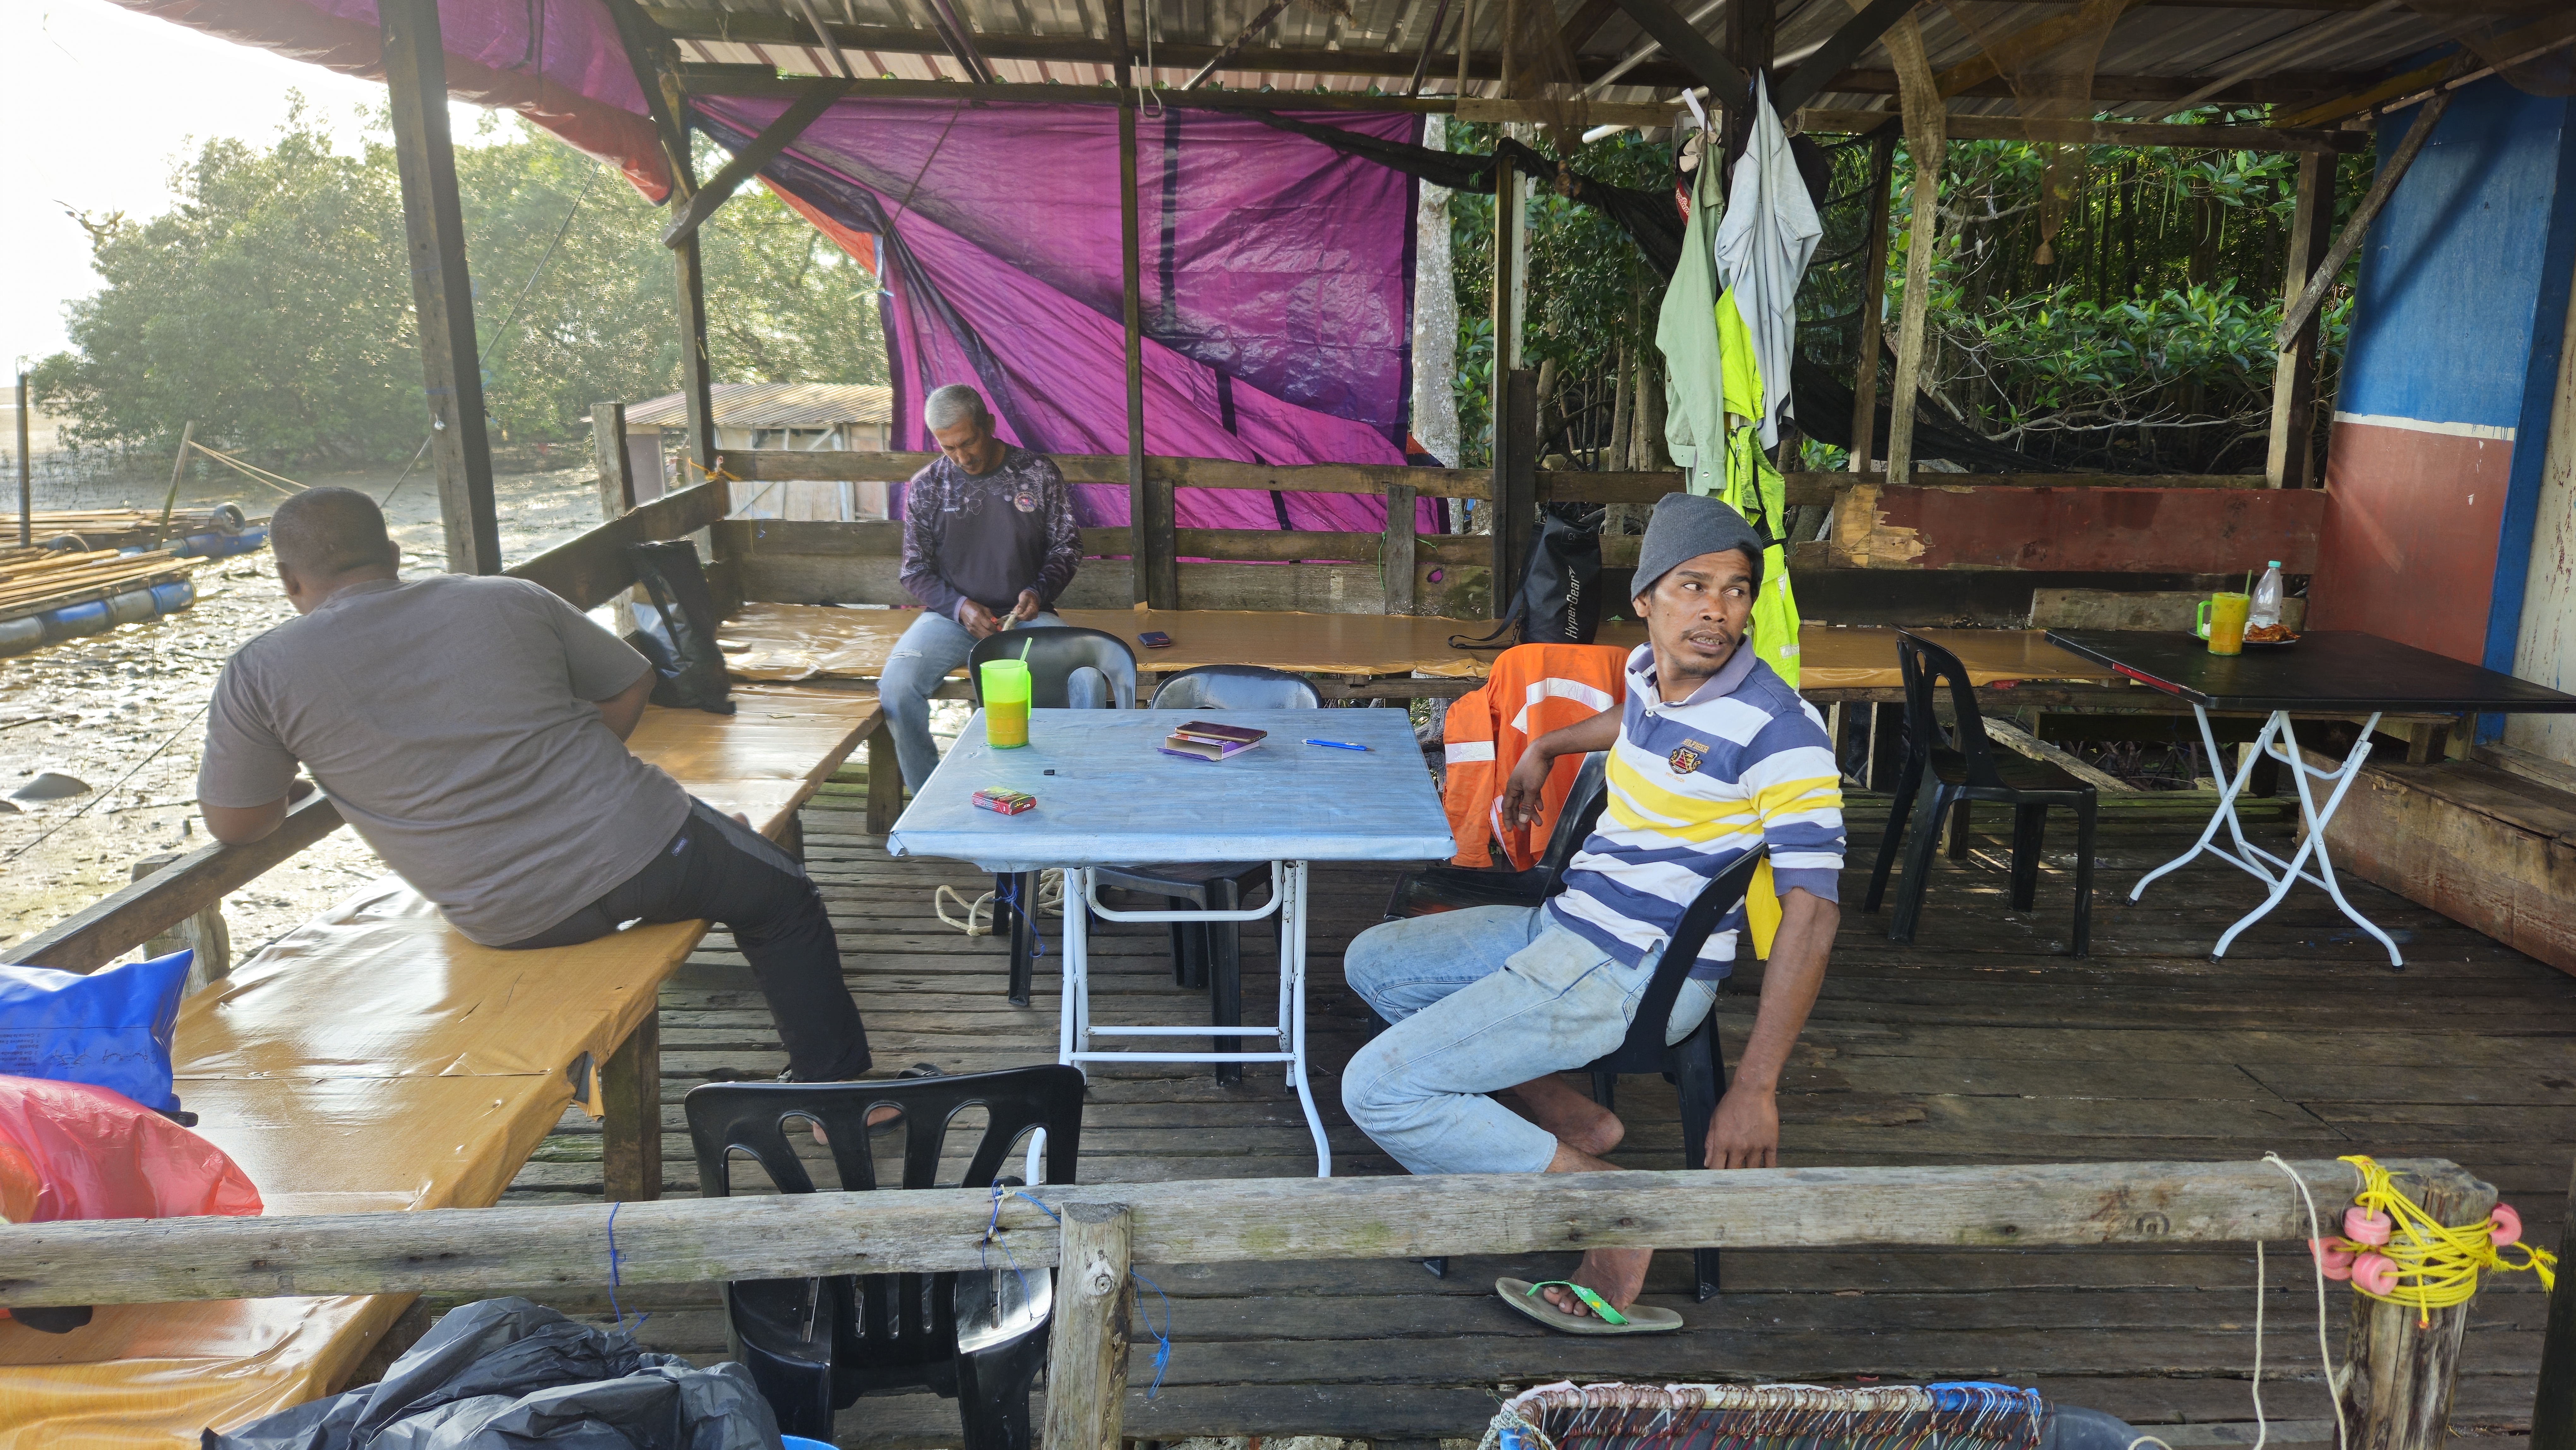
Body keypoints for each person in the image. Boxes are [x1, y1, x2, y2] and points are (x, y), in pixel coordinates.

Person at [1339, 492, 1844, 1333]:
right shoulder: (1650, 670)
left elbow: (1815, 913)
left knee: (1380, 1090)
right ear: (1646, 599)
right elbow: (1633, 721)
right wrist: (1542, 746)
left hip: (1634, 971)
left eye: (1735, 588)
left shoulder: (1780, 732)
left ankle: (1612, 1205)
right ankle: (1570, 1112)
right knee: (1375, 962)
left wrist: (1756, 1087)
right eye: (1692, 586)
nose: (1716, 610)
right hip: (1569, 924)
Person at [195, 487, 871, 1084]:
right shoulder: (503, 596)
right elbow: (633, 678)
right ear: (395, 553)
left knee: (730, 854)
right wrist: (571, 761)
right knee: (783, 893)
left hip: (508, 917)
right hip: (648, 850)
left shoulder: (260, 671)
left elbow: (238, 824)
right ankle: (834, 1088)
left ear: (288, 580)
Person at [882, 384, 1097, 791]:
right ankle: (932, 798)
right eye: (949, 449)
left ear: (990, 426)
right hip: (950, 621)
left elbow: (1067, 547)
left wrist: (1038, 590)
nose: (962, 458)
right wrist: (961, 607)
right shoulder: (928, 485)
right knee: (896, 689)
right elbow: (914, 571)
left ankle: (1071, 789)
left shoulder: (1037, 473)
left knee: (1085, 678)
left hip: (1027, 619)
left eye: (968, 442)